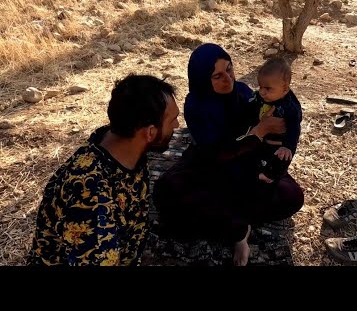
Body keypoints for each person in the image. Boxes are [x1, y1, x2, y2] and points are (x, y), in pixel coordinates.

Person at [153, 43, 304, 266]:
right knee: (167, 192)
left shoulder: (244, 93)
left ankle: (231, 223)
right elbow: (215, 153)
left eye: (230, 69)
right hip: (210, 166)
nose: (228, 79)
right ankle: (240, 227)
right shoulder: (196, 105)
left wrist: (276, 138)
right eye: (217, 76)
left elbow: (282, 128)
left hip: (248, 166)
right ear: (203, 78)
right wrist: (259, 131)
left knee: (292, 196)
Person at [29, 74, 179, 266]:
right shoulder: (90, 196)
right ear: (150, 133)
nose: (176, 126)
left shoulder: (120, 140)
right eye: (172, 120)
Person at [245, 57, 302, 184]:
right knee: (258, 156)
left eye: (268, 89)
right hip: (264, 138)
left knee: (282, 157)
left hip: (281, 143)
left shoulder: (289, 107)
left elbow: (294, 127)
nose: (262, 92)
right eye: (260, 87)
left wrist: (288, 146)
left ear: (285, 89)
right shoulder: (259, 97)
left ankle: (271, 175)